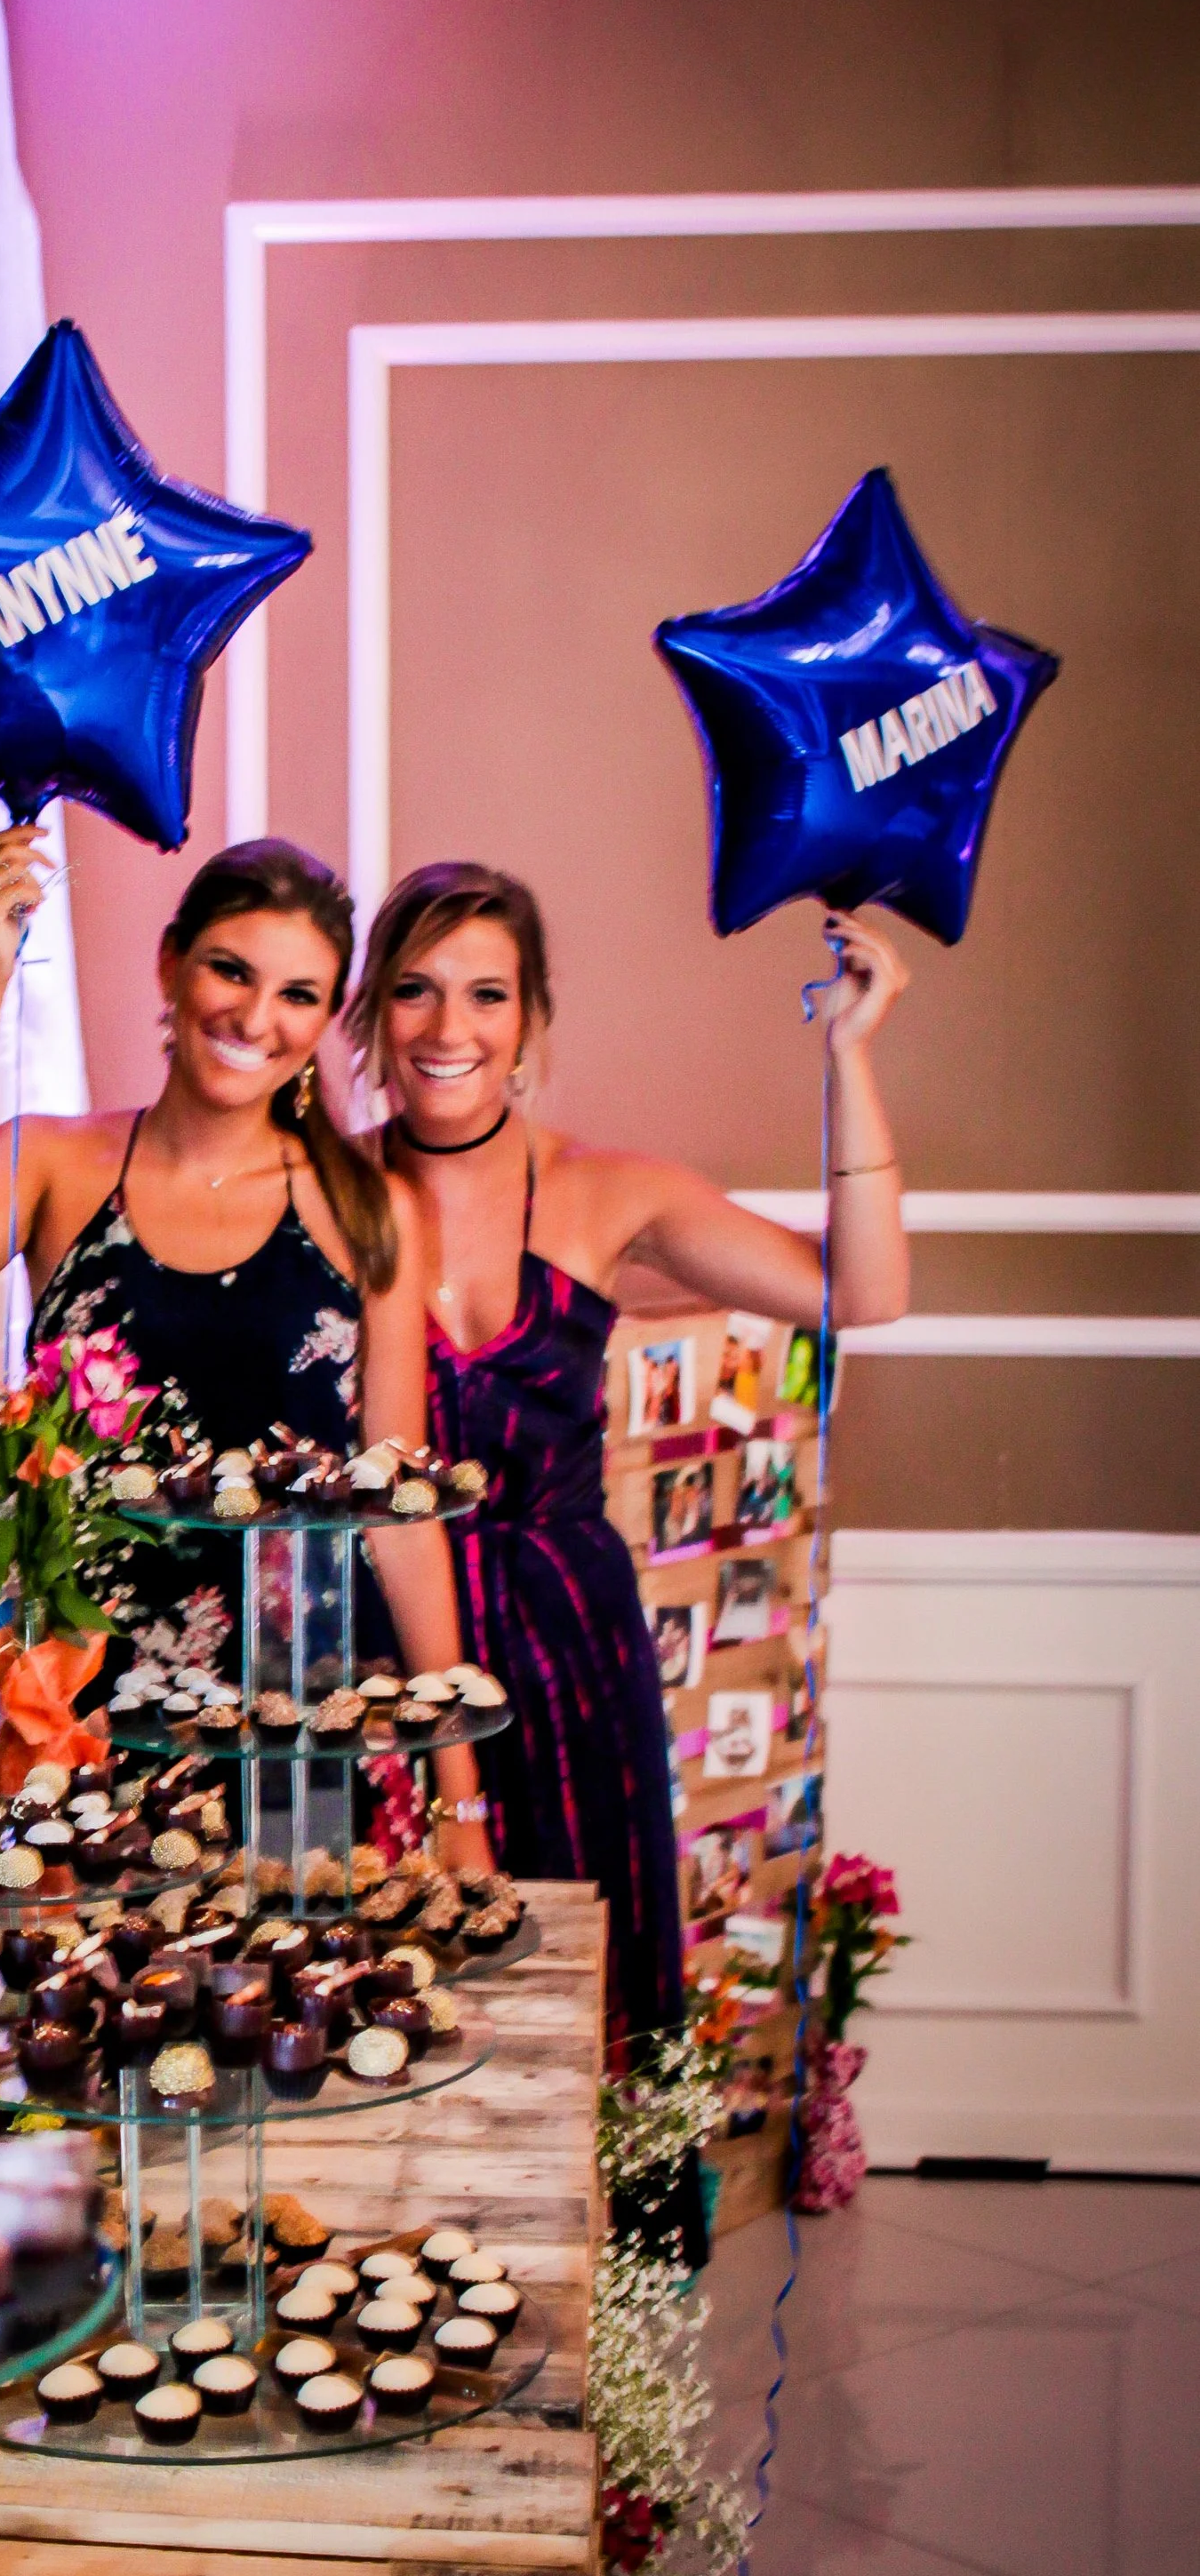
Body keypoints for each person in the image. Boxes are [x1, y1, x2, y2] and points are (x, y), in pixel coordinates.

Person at [346, 860, 910, 2058]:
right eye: (416, 989)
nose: (451, 1028)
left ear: (532, 1019)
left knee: (579, 1996)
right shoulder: (325, 1191)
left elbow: (864, 1290)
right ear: (369, 1015)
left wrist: (849, 1053)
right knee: (385, 2004)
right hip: (376, 1647)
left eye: (488, 995)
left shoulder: (612, 1191)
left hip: (571, 1648)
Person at [0, 831, 479, 1807]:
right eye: (230, 971)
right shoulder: (62, 1166)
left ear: (326, 1017)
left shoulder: (367, 1208)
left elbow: (402, 1517)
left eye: (298, 996)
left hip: (306, 1714)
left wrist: (459, 1793)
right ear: (171, 963)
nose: (255, 1016)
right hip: (86, 1707)